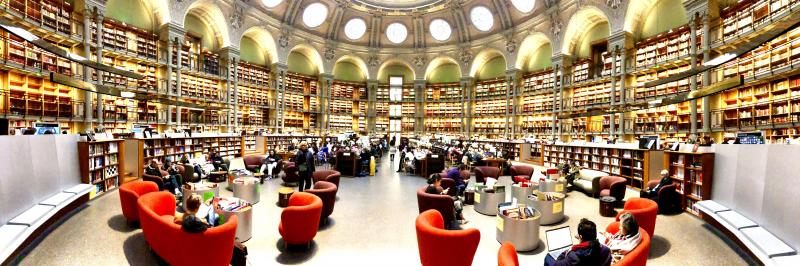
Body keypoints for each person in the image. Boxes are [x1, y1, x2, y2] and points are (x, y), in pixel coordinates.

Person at [545, 218, 612, 266]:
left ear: (580, 236)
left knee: (548, 257)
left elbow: (557, 264)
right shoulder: (606, 251)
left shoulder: (574, 255)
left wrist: (565, 252)